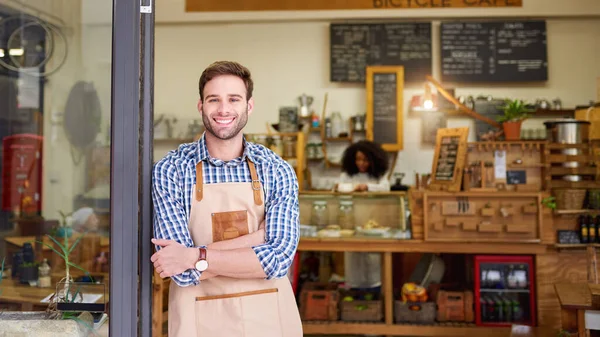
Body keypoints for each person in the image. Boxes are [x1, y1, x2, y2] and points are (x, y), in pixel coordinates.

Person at [150, 61, 302, 337]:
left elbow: (279, 260)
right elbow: (179, 272)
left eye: (234, 99)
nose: (223, 109)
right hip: (198, 322)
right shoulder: (171, 170)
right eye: (213, 100)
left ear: (249, 106)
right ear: (200, 106)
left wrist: (194, 255)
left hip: (269, 322)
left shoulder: (276, 169)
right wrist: (257, 239)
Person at [337, 140, 390, 290]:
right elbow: (340, 187)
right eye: (358, 159)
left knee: (372, 256)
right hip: (352, 219)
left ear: (373, 160)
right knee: (353, 255)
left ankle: (374, 287)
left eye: (365, 160)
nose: (361, 163)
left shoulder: (380, 174)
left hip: (374, 220)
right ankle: (354, 286)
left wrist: (366, 187)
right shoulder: (347, 174)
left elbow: (385, 188)